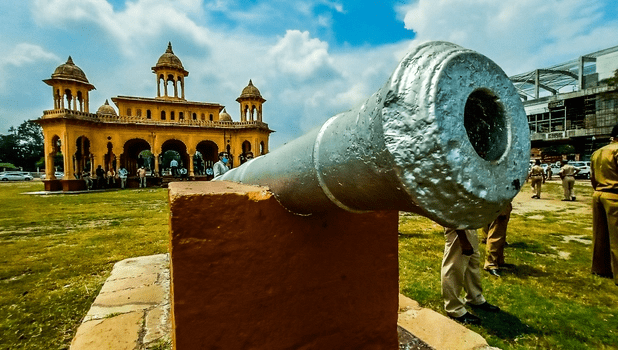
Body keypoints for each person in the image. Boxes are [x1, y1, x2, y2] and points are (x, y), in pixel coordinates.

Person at [442, 227, 500, 325]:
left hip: (468, 225)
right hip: (458, 227)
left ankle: (474, 297)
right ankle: (454, 308)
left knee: (472, 262)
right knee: (454, 266)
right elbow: (454, 216)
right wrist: (463, 240)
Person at [590, 123, 618, 285]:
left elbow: (592, 177)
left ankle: (600, 268)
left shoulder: (597, 152)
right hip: (614, 194)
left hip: (598, 193)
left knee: (600, 235)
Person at [483, 202, 513, 277]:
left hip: (498, 203)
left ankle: (499, 260)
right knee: (496, 233)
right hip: (499, 203)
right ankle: (491, 263)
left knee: (499, 231)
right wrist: (501, 208)